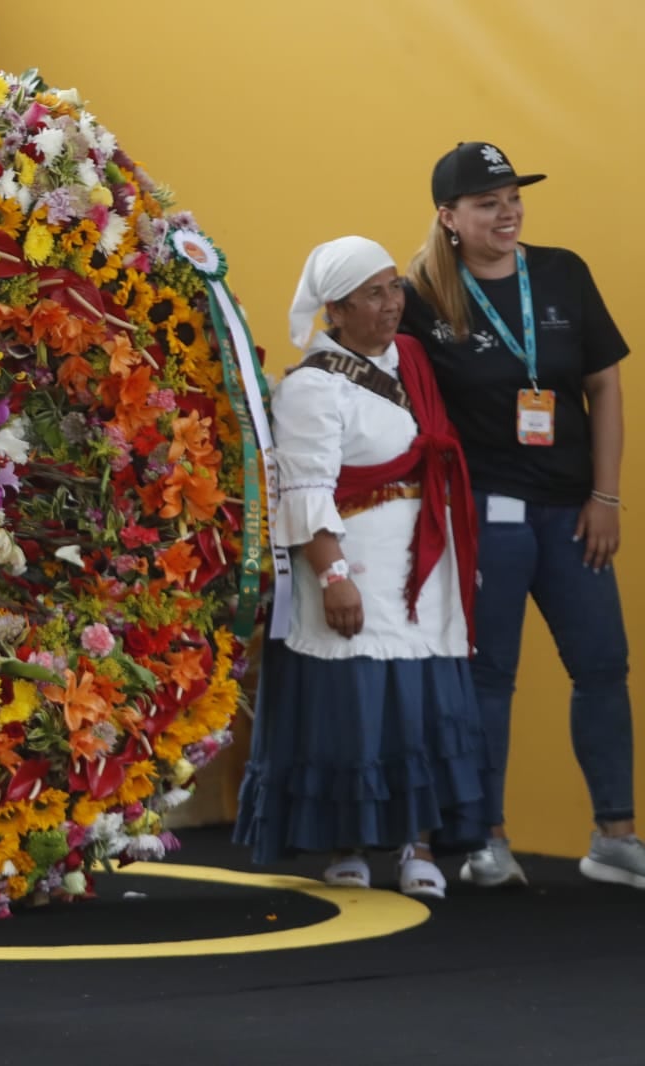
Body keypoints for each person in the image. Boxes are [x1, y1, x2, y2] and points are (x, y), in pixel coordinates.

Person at [402, 141, 642, 889]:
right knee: (489, 675)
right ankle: (487, 840)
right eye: (487, 203)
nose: (507, 213)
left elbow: (604, 387)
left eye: (513, 198)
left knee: (603, 667)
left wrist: (606, 496)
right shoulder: (419, 296)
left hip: (573, 512)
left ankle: (615, 838)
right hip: (486, 511)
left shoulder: (563, 271)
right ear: (449, 216)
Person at [235, 236, 491, 897]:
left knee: (420, 706)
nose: (391, 303)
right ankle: (347, 844)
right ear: (336, 310)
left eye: (393, 287)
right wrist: (334, 577)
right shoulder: (311, 387)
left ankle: (418, 846)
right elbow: (304, 492)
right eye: (372, 294)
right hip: (354, 570)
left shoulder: (412, 360)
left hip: (423, 566)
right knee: (353, 709)